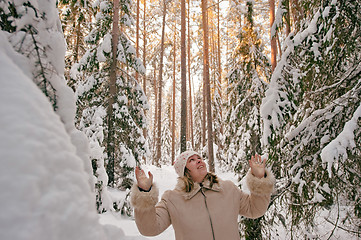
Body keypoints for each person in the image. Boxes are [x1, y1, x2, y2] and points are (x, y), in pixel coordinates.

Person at [130, 150, 275, 240]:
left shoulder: (228, 189)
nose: (199, 160)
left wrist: (259, 178)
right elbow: (149, 229)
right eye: (191, 160)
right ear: (184, 171)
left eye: (199, 158)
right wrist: (144, 193)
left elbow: (255, 210)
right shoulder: (172, 199)